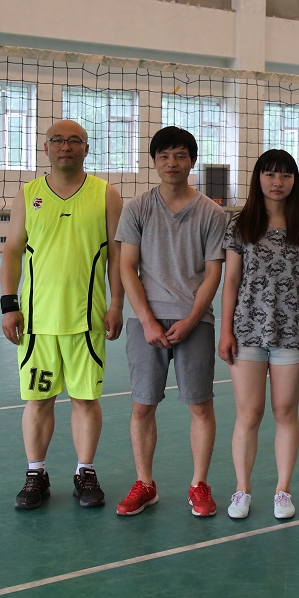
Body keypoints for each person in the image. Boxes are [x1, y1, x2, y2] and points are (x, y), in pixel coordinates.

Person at [1, 119, 124, 510]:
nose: (66, 146)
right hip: (37, 322)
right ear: (46, 147)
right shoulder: (28, 195)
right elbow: (12, 251)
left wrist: (117, 304)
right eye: (58, 140)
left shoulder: (106, 194)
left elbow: (118, 256)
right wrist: (9, 305)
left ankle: (85, 471)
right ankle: (35, 473)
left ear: (86, 148)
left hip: (88, 320)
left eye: (75, 141)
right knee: (38, 401)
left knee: (86, 400)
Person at [114, 126, 229, 518]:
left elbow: (213, 272)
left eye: (180, 155)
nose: (172, 163)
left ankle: (199, 485)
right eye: (164, 156)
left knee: (200, 406)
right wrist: (147, 321)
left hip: (195, 321)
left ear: (192, 161)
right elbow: (127, 267)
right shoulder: (137, 208)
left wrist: (193, 318)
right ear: (154, 161)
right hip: (146, 321)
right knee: (142, 405)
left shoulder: (212, 213)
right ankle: (145, 483)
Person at [218, 150, 299, 520]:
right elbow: (231, 280)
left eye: (285, 175)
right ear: (258, 178)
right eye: (270, 174)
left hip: (292, 329)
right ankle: (242, 489)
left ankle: (282, 490)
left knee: (285, 411)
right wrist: (225, 330)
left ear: (294, 181)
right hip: (246, 330)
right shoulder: (240, 224)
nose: (277, 182)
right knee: (249, 413)